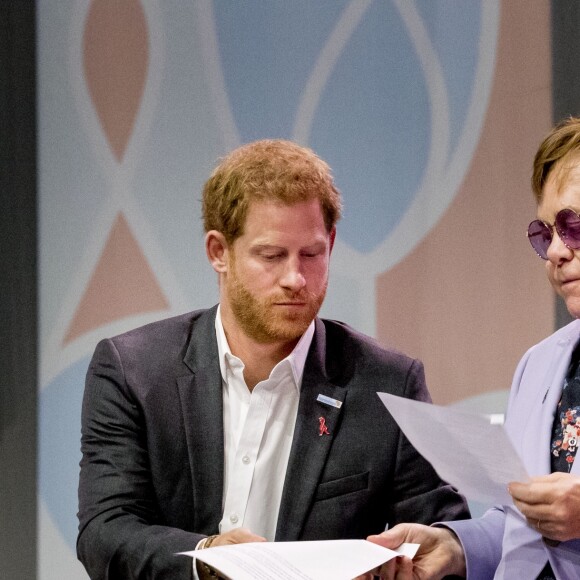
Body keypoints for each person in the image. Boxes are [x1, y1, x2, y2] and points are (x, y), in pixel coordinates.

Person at [77, 139, 469, 579]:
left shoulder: (388, 384)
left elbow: (442, 530)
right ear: (218, 252)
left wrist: (434, 554)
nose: (295, 278)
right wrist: (209, 557)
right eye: (271, 255)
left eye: (312, 254)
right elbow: (104, 533)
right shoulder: (134, 371)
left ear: (332, 244)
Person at [365, 118, 580, 579]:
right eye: (545, 234)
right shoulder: (540, 364)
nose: (558, 251)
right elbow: (517, 527)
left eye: (573, 226)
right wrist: (452, 545)